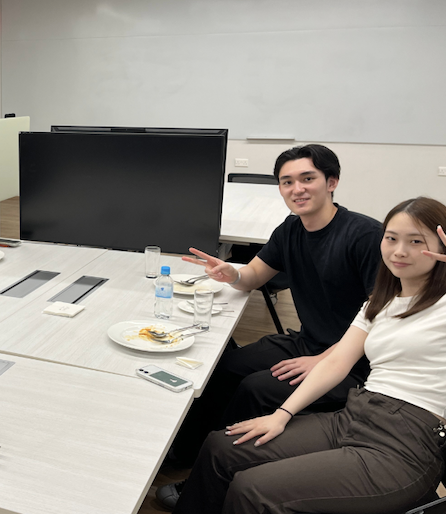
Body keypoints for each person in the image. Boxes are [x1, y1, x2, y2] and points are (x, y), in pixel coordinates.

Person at [173, 196, 446, 514]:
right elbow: (335, 362)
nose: (399, 251)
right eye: (392, 238)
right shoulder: (381, 303)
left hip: (406, 444)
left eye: (416, 241)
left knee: (253, 490)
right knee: (222, 447)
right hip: (357, 415)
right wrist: (281, 415)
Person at [157, 144, 383, 509]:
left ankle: (215, 477)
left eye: (307, 179)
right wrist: (231, 274)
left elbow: (382, 316)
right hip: (308, 341)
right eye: (287, 181)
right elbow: (253, 277)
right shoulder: (291, 228)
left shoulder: (365, 236)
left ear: (332, 182)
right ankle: (188, 452)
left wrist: (323, 360)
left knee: (256, 388)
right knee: (223, 367)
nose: (297, 189)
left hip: (354, 362)